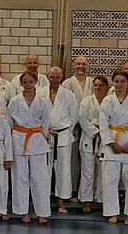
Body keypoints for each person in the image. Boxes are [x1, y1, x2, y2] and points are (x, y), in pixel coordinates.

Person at [99, 70, 128, 225]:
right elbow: (103, 124)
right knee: (110, 180)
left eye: (122, 81)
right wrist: (111, 143)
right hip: (111, 141)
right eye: (116, 81)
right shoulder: (107, 101)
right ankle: (112, 212)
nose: (119, 84)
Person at [8, 71, 52, 224]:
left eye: (30, 82)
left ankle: (42, 212)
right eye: (25, 82)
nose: (27, 85)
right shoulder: (14, 101)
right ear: (21, 84)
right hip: (19, 140)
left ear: (36, 83)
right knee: (20, 177)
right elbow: (10, 122)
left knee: (40, 178)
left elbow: (46, 123)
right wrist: (14, 137)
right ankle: (23, 211)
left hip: (37, 140)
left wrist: (42, 135)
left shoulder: (43, 102)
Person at [38, 66, 77, 214]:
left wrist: (63, 129)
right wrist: (45, 131)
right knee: (44, 169)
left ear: (62, 78)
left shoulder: (69, 95)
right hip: (44, 136)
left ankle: (61, 200)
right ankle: (43, 198)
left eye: (57, 77)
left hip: (63, 135)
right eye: (52, 77)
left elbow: (74, 117)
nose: (54, 80)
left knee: (63, 169)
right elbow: (37, 115)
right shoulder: (40, 93)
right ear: (47, 77)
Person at [62, 56, 92, 202]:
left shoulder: (93, 82)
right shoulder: (67, 83)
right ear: (74, 66)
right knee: (73, 159)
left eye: (84, 64)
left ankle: (87, 192)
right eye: (78, 64)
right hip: (73, 125)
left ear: (87, 66)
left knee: (89, 161)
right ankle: (72, 190)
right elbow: (65, 105)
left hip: (90, 125)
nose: (81, 66)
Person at [77, 76, 109, 214]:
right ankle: (86, 201)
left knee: (103, 172)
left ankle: (101, 200)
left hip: (106, 139)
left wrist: (105, 133)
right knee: (87, 172)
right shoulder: (86, 101)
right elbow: (82, 119)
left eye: (101, 85)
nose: (97, 87)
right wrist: (97, 132)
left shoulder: (110, 101)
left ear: (106, 87)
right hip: (89, 139)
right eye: (95, 85)